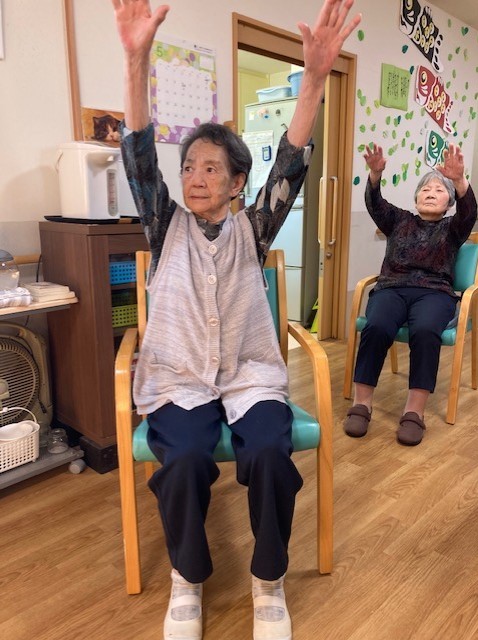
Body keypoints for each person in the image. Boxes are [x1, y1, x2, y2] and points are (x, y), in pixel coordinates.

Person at [111, 0, 360, 638]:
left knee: (272, 453)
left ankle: (268, 579)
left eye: (211, 168)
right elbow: (139, 158)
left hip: (250, 377)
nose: (195, 178)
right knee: (186, 460)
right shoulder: (165, 226)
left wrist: (313, 79)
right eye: (189, 167)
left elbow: (291, 162)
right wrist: (137, 60)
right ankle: (187, 577)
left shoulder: (254, 229)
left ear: (237, 182)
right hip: (179, 379)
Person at [344, 142, 477, 446]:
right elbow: (375, 204)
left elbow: (469, 211)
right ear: (416, 199)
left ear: (449, 202)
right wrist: (374, 175)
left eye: (439, 190)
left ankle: (414, 412)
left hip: (435, 293)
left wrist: (459, 181)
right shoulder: (399, 220)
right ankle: (362, 404)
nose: (430, 192)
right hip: (392, 288)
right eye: (425, 189)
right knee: (377, 326)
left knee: (426, 330)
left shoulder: (453, 228)